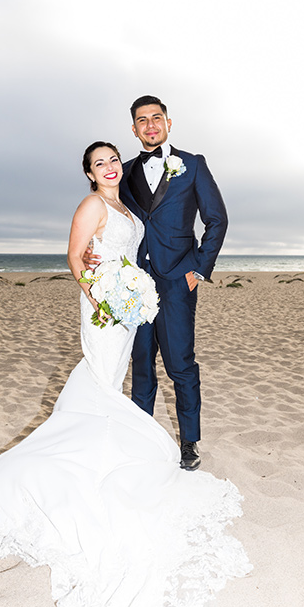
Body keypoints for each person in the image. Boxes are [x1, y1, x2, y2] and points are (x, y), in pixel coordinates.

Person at [0, 142, 250, 607]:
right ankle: (80, 470)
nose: (109, 167)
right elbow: (74, 256)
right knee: (103, 383)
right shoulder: (91, 203)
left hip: (129, 305)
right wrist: (104, 296)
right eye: (99, 162)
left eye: (112, 159)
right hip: (108, 308)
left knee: (114, 383)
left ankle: (122, 453)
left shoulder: (123, 201)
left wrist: (146, 286)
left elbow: (162, 235)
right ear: (88, 172)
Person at [84, 96, 228, 471]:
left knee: (181, 365)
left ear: (167, 123)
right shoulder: (124, 170)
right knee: (142, 367)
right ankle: (140, 438)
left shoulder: (193, 165)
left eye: (156, 118)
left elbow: (217, 220)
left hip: (178, 281)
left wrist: (197, 270)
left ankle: (190, 442)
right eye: (142, 121)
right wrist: (93, 257)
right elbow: (106, 216)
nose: (150, 125)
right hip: (132, 286)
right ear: (133, 129)